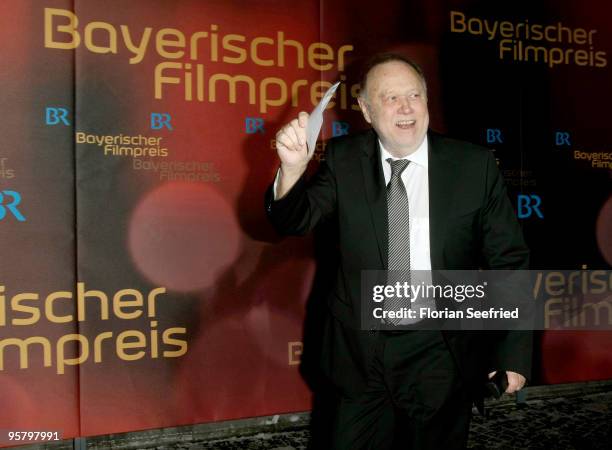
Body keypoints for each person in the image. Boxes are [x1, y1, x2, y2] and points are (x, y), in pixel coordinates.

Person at [265, 53, 532, 449]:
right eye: (390, 98)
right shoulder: (343, 159)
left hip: (439, 350)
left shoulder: (473, 165)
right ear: (367, 110)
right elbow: (292, 220)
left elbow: (508, 261)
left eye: (414, 95)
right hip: (360, 352)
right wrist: (290, 171)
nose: (405, 107)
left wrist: (513, 352)